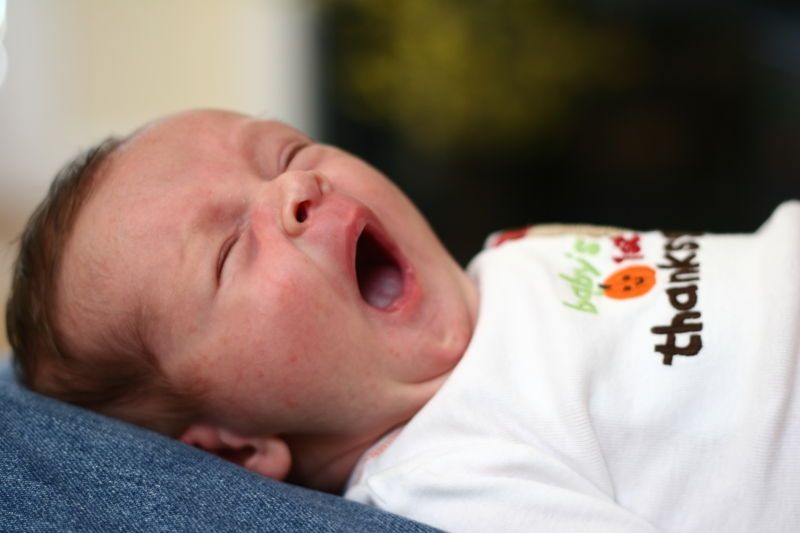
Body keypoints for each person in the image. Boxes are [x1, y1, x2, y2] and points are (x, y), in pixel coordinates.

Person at [6, 109, 800, 532]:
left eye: (284, 152)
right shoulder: (445, 474)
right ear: (238, 446)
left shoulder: (508, 256)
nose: (297, 187)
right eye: (223, 252)